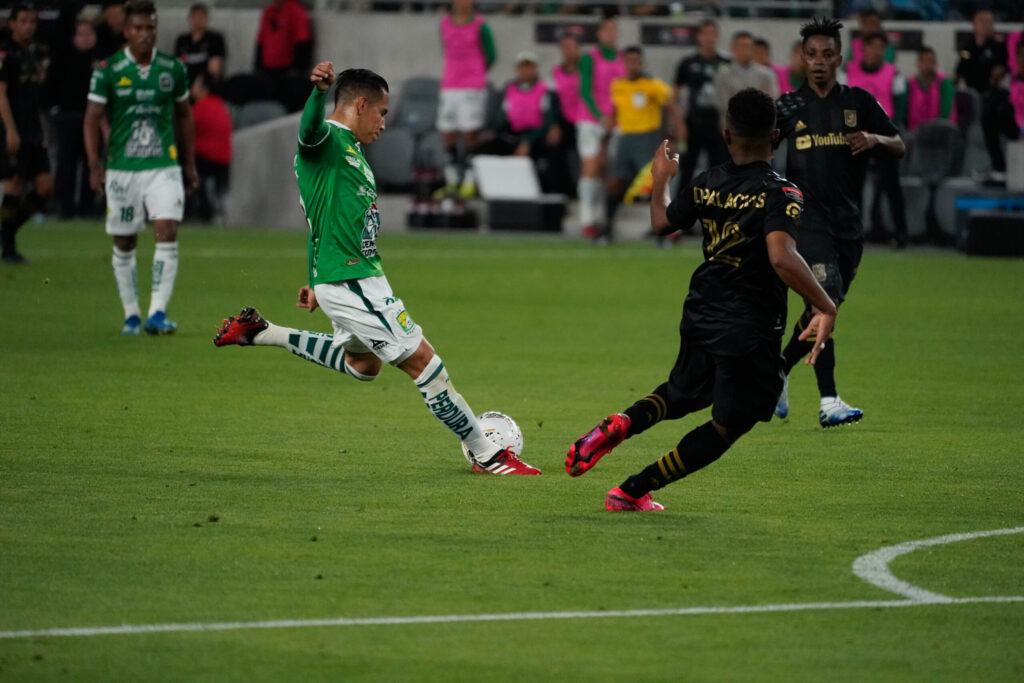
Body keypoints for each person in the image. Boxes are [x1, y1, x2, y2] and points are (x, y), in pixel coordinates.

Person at [214, 63, 541, 477]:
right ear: (361, 104)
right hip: (351, 280)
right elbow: (307, 133)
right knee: (425, 363)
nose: (384, 123)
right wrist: (317, 94)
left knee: (363, 367)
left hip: (348, 276)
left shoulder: (350, 151)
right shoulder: (328, 139)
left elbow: (329, 216)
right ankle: (487, 454)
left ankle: (263, 331)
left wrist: (320, 282)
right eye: (382, 113)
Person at [565, 88, 838, 512]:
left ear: (727, 136)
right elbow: (782, 256)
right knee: (730, 424)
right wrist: (826, 304)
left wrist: (661, 179)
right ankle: (632, 490)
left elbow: (660, 221)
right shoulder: (782, 194)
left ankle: (622, 422)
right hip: (749, 323)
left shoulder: (707, 182)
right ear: (777, 136)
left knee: (683, 392)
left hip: (702, 309)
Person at [774, 17, 904, 427]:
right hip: (805, 221)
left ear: (839, 58)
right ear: (801, 58)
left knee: (823, 307)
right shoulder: (788, 107)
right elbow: (758, 150)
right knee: (822, 302)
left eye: (827, 54)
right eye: (811, 54)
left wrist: (875, 139)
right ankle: (829, 401)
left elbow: (899, 143)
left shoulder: (859, 102)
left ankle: (776, 371)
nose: (818, 61)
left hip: (848, 224)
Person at [84, 0, 198, 335]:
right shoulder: (108, 69)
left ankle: (157, 313)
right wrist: (94, 163)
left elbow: (184, 115)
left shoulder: (172, 69)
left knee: (167, 230)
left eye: (150, 28)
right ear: (126, 31)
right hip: (122, 168)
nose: (145, 34)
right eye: (138, 28)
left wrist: (189, 162)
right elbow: (91, 119)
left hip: (163, 164)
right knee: (124, 241)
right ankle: (131, 313)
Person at [603, 45, 680, 244]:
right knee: (616, 184)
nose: (633, 64)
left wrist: (675, 131)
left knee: (654, 186)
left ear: (642, 62)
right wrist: (607, 134)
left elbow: (671, 105)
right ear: (624, 63)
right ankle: (607, 230)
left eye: (637, 61)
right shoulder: (617, 85)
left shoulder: (653, 85)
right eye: (630, 61)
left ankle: (664, 232)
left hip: (647, 138)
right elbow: (614, 112)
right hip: (625, 138)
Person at [846, 32, 908, 248]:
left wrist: (892, 131)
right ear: (864, 48)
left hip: (882, 135)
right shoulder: (848, 71)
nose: (876, 51)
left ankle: (901, 234)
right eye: (872, 47)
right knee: (854, 187)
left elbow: (900, 107)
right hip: (856, 136)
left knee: (892, 186)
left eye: (881, 48)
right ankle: (854, 233)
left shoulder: (894, 73)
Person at [0, 5, 51, 265]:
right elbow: (0, 94)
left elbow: (35, 99)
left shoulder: (34, 54)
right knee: (15, 184)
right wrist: (10, 129)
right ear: (12, 24)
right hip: (13, 130)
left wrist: (40, 130)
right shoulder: (5, 54)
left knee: (44, 187)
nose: (29, 25)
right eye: (23, 21)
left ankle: (5, 232)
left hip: (33, 131)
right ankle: (8, 248)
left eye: (32, 21)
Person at [435, 0, 496, 200]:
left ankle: (470, 181)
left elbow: (491, 54)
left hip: (472, 86)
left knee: (470, 133)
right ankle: (452, 180)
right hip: (450, 84)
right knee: (448, 131)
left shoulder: (480, 24)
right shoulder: (444, 24)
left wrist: (476, 73)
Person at [48, 17, 102, 220]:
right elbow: (50, 88)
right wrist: (55, 110)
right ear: (74, 37)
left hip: (95, 119)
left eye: (90, 34)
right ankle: (66, 207)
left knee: (93, 162)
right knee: (66, 164)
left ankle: (88, 207)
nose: (87, 38)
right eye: (82, 34)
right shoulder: (62, 59)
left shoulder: (102, 61)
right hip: (69, 117)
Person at [576, 15, 624, 239]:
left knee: (610, 169)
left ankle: (604, 216)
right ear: (599, 34)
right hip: (590, 119)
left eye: (614, 30)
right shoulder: (589, 58)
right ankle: (587, 218)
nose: (610, 34)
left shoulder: (623, 58)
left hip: (616, 121)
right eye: (606, 30)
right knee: (591, 164)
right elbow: (584, 90)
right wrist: (600, 115)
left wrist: (614, 118)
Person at [956, 9, 1011, 184]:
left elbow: (1005, 69)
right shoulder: (968, 47)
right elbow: (961, 68)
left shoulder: (999, 47)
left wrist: (1000, 72)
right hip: (973, 95)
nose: (987, 26)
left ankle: (999, 166)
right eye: (982, 22)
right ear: (975, 24)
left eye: (989, 22)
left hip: (993, 95)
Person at [673, 19, 729, 188]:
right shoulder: (688, 63)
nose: (709, 38)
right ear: (699, 37)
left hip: (718, 124)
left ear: (717, 37)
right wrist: (679, 124)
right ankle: (682, 211)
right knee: (686, 171)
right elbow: (673, 96)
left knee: (719, 170)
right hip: (693, 123)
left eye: (713, 34)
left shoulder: (725, 63)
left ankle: (716, 211)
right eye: (706, 34)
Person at [189, 70, 232, 223]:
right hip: (224, 163)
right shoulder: (221, 106)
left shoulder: (200, 108)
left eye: (195, 84)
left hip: (205, 160)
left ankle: (195, 212)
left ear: (203, 88)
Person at [713, 31, 778, 128]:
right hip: (731, 128)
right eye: (742, 46)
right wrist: (756, 100)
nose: (745, 50)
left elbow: (772, 100)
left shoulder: (767, 74)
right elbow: (722, 103)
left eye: (749, 47)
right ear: (733, 48)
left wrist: (737, 97)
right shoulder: (722, 74)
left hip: (760, 127)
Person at [904, 46, 957, 132]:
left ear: (935, 63)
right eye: (923, 60)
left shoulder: (944, 83)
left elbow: (946, 112)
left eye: (930, 60)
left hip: (940, 132)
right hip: (915, 132)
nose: (926, 63)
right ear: (918, 63)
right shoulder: (910, 83)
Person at [174, 3, 226, 85]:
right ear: (190, 19)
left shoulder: (215, 38)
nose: (197, 21)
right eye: (195, 17)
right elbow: (178, 67)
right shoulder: (182, 40)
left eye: (201, 17)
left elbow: (215, 69)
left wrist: (199, 85)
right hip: (187, 84)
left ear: (207, 19)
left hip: (207, 85)